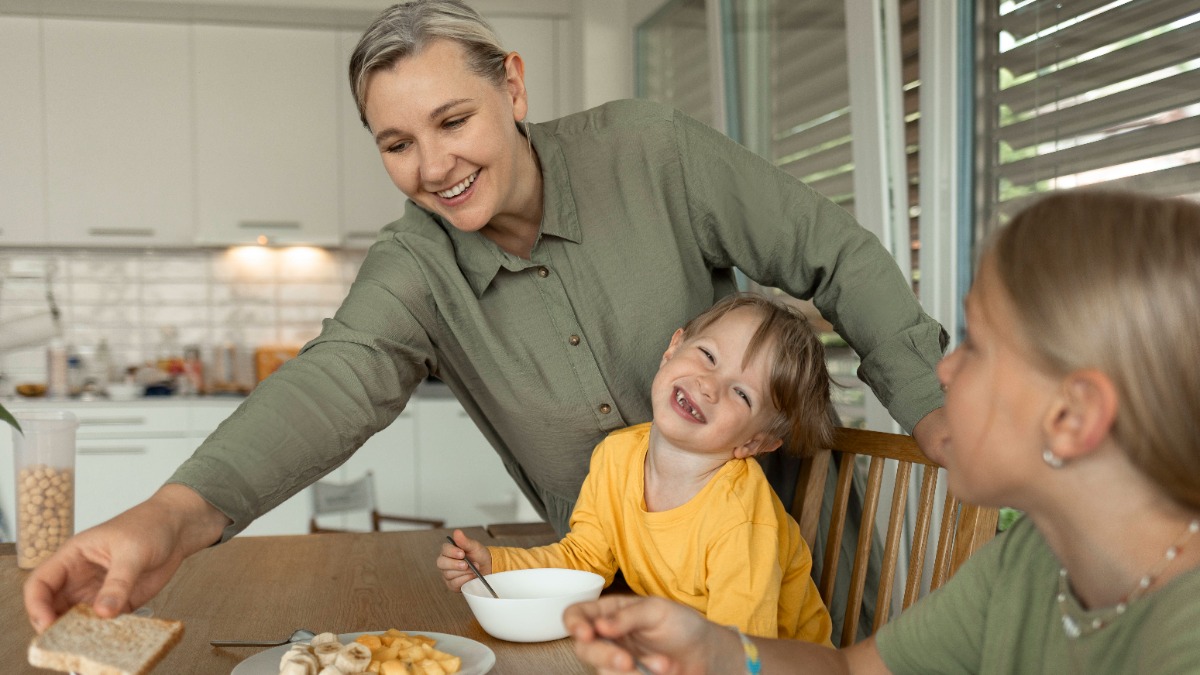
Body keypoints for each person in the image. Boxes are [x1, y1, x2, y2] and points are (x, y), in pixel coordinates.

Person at [23, 0, 950, 632]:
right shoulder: (418, 265)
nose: (433, 166)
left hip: (783, 600)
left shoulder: (649, 151)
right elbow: (329, 383)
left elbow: (832, 251)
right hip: (590, 613)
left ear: (512, 86)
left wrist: (933, 406)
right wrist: (173, 517)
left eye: (452, 120)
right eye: (397, 142)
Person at [563, 189, 1200, 674]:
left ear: (1072, 419)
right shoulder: (1032, 560)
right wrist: (719, 649)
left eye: (977, 346)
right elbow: (847, 668)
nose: (945, 369)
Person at [439, 294, 835, 643]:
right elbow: (584, 559)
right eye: (709, 356)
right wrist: (497, 566)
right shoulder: (616, 457)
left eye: (742, 393)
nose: (709, 385)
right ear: (673, 349)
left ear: (754, 443)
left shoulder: (740, 519)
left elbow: (742, 648)